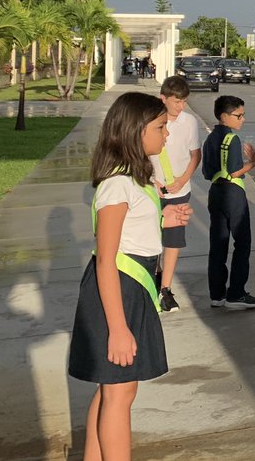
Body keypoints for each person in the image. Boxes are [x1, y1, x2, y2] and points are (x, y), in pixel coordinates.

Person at [67, 92, 191, 461]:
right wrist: (118, 329)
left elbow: (130, 232)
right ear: (136, 132)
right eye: (159, 127)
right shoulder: (117, 185)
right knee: (120, 393)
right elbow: (106, 259)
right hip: (116, 292)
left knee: (113, 390)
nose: (166, 134)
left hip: (131, 288)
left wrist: (163, 219)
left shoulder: (136, 179)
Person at [203, 94, 255, 310]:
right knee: (242, 243)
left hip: (215, 193)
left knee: (218, 244)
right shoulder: (232, 139)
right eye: (238, 115)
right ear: (224, 116)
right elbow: (234, 171)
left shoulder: (210, 138)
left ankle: (217, 294)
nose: (242, 119)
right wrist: (253, 163)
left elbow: (206, 172)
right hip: (233, 194)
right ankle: (236, 293)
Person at [149, 75, 203, 313]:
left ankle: (165, 289)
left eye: (185, 102)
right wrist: (152, 181)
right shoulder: (151, 120)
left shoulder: (189, 122)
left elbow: (195, 155)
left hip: (180, 191)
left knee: (173, 242)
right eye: (177, 102)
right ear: (164, 98)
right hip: (152, 191)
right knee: (151, 239)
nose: (181, 107)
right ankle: (152, 278)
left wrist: (183, 180)